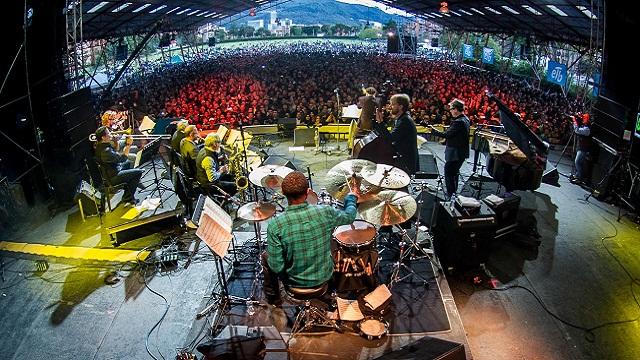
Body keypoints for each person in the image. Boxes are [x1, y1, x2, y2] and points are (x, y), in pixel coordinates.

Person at [262, 171, 358, 305]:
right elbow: (349, 216)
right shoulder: (325, 212)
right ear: (308, 192)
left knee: (266, 257)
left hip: (293, 284)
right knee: (331, 241)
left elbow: (277, 267)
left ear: (283, 193)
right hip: (324, 278)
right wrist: (351, 198)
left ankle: (274, 301)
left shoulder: (275, 224)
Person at [429, 98, 471, 198]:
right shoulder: (465, 119)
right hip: (461, 152)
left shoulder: (458, 122)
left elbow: (447, 135)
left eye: (451, 109)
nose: (450, 111)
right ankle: (453, 193)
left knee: (448, 173)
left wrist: (433, 130)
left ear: (456, 109)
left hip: (455, 153)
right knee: (454, 173)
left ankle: (450, 195)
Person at [94, 126, 143, 206]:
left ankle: (131, 185)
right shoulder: (105, 151)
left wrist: (115, 141)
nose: (111, 134)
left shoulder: (103, 146)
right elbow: (122, 158)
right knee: (139, 172)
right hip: (113, 177)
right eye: (108, 133)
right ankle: (128, 197)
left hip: (114, 169)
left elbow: (116, 151)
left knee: (128, 162)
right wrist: (128, 144)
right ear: (103, 137)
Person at [375, 93, 419, 175]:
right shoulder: (401, 118)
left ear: (400, 106)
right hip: (403, 158)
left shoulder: (404, 121)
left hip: (405, 161)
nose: (390, 106)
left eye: (393, 104)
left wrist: (380, 122)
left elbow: (390, 138)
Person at [571, 113, 591, 185]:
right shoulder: (584, 126)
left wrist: (574, 121)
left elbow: (577, 130)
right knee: (579, 162)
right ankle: (577, 175)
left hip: (583, 148)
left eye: (584, 118)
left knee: (577, 162)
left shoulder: (587, 129)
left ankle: (579, 177)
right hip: (580, 147)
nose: (583, 119)